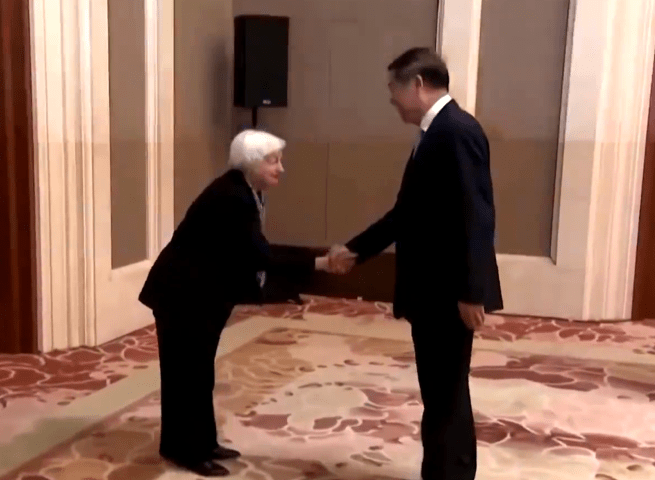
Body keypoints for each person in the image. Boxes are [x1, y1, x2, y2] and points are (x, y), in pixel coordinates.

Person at [328, 48, 503, 480]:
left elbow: (476, 215)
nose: (391, 98)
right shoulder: (436, 132)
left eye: (394, 87)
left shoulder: (455, 131)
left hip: (447, 292)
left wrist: (472, 291)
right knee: (440, 392)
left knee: (446, 393)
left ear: (418, 84)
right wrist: (356, 250)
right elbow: (407, 214)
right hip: (433, 291)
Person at [138, 129, 334, 477]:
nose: (281, 168)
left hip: (201, 295)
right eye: (273, 161)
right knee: (187, 375)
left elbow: (248, 250)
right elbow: (259, 254)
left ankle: (202, 442)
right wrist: (318, 262)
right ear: (252, 163)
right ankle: (185, 451)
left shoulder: (244, 191)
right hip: (183, 296)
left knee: (199, 373)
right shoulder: (232, 196)